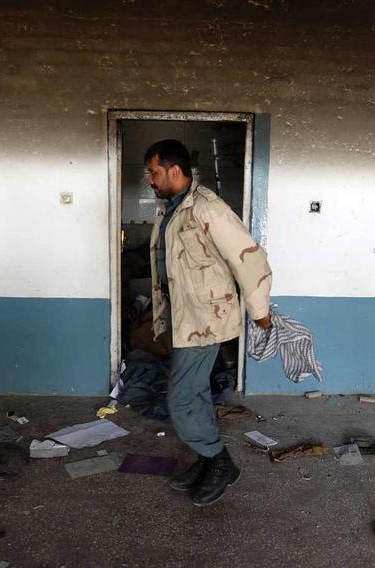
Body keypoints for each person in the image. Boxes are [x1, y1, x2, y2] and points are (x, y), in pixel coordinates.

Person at [144, 139, 273, 506]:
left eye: (153, 172)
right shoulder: (171, 209)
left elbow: (249, 258)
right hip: (184, 317)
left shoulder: (207, 208)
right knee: (196, 392)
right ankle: (208, 459)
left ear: (174, 170)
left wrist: (259, 310)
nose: (150, 180)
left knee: (181, 398)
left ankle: (220, 463)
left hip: (205, 321)